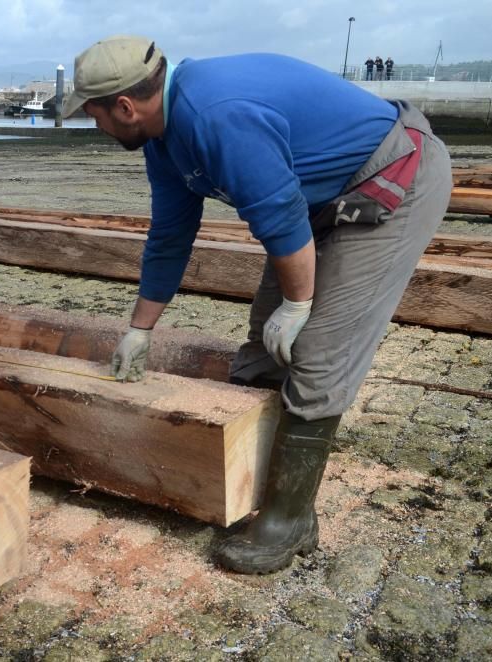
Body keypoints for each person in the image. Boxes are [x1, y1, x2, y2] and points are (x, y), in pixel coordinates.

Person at [63, 36, 451, 574]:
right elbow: (171, 234)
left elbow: (281, 219)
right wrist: (141, 328)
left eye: (93, 115)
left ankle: (289, 522)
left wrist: (298, 305)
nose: (96, 128)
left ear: (125, 107)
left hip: (394, 178)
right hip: (322, 200)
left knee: (316, 349)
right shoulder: (161, 138)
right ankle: (243, 486)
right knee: (264, 350)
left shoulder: (218, 116)